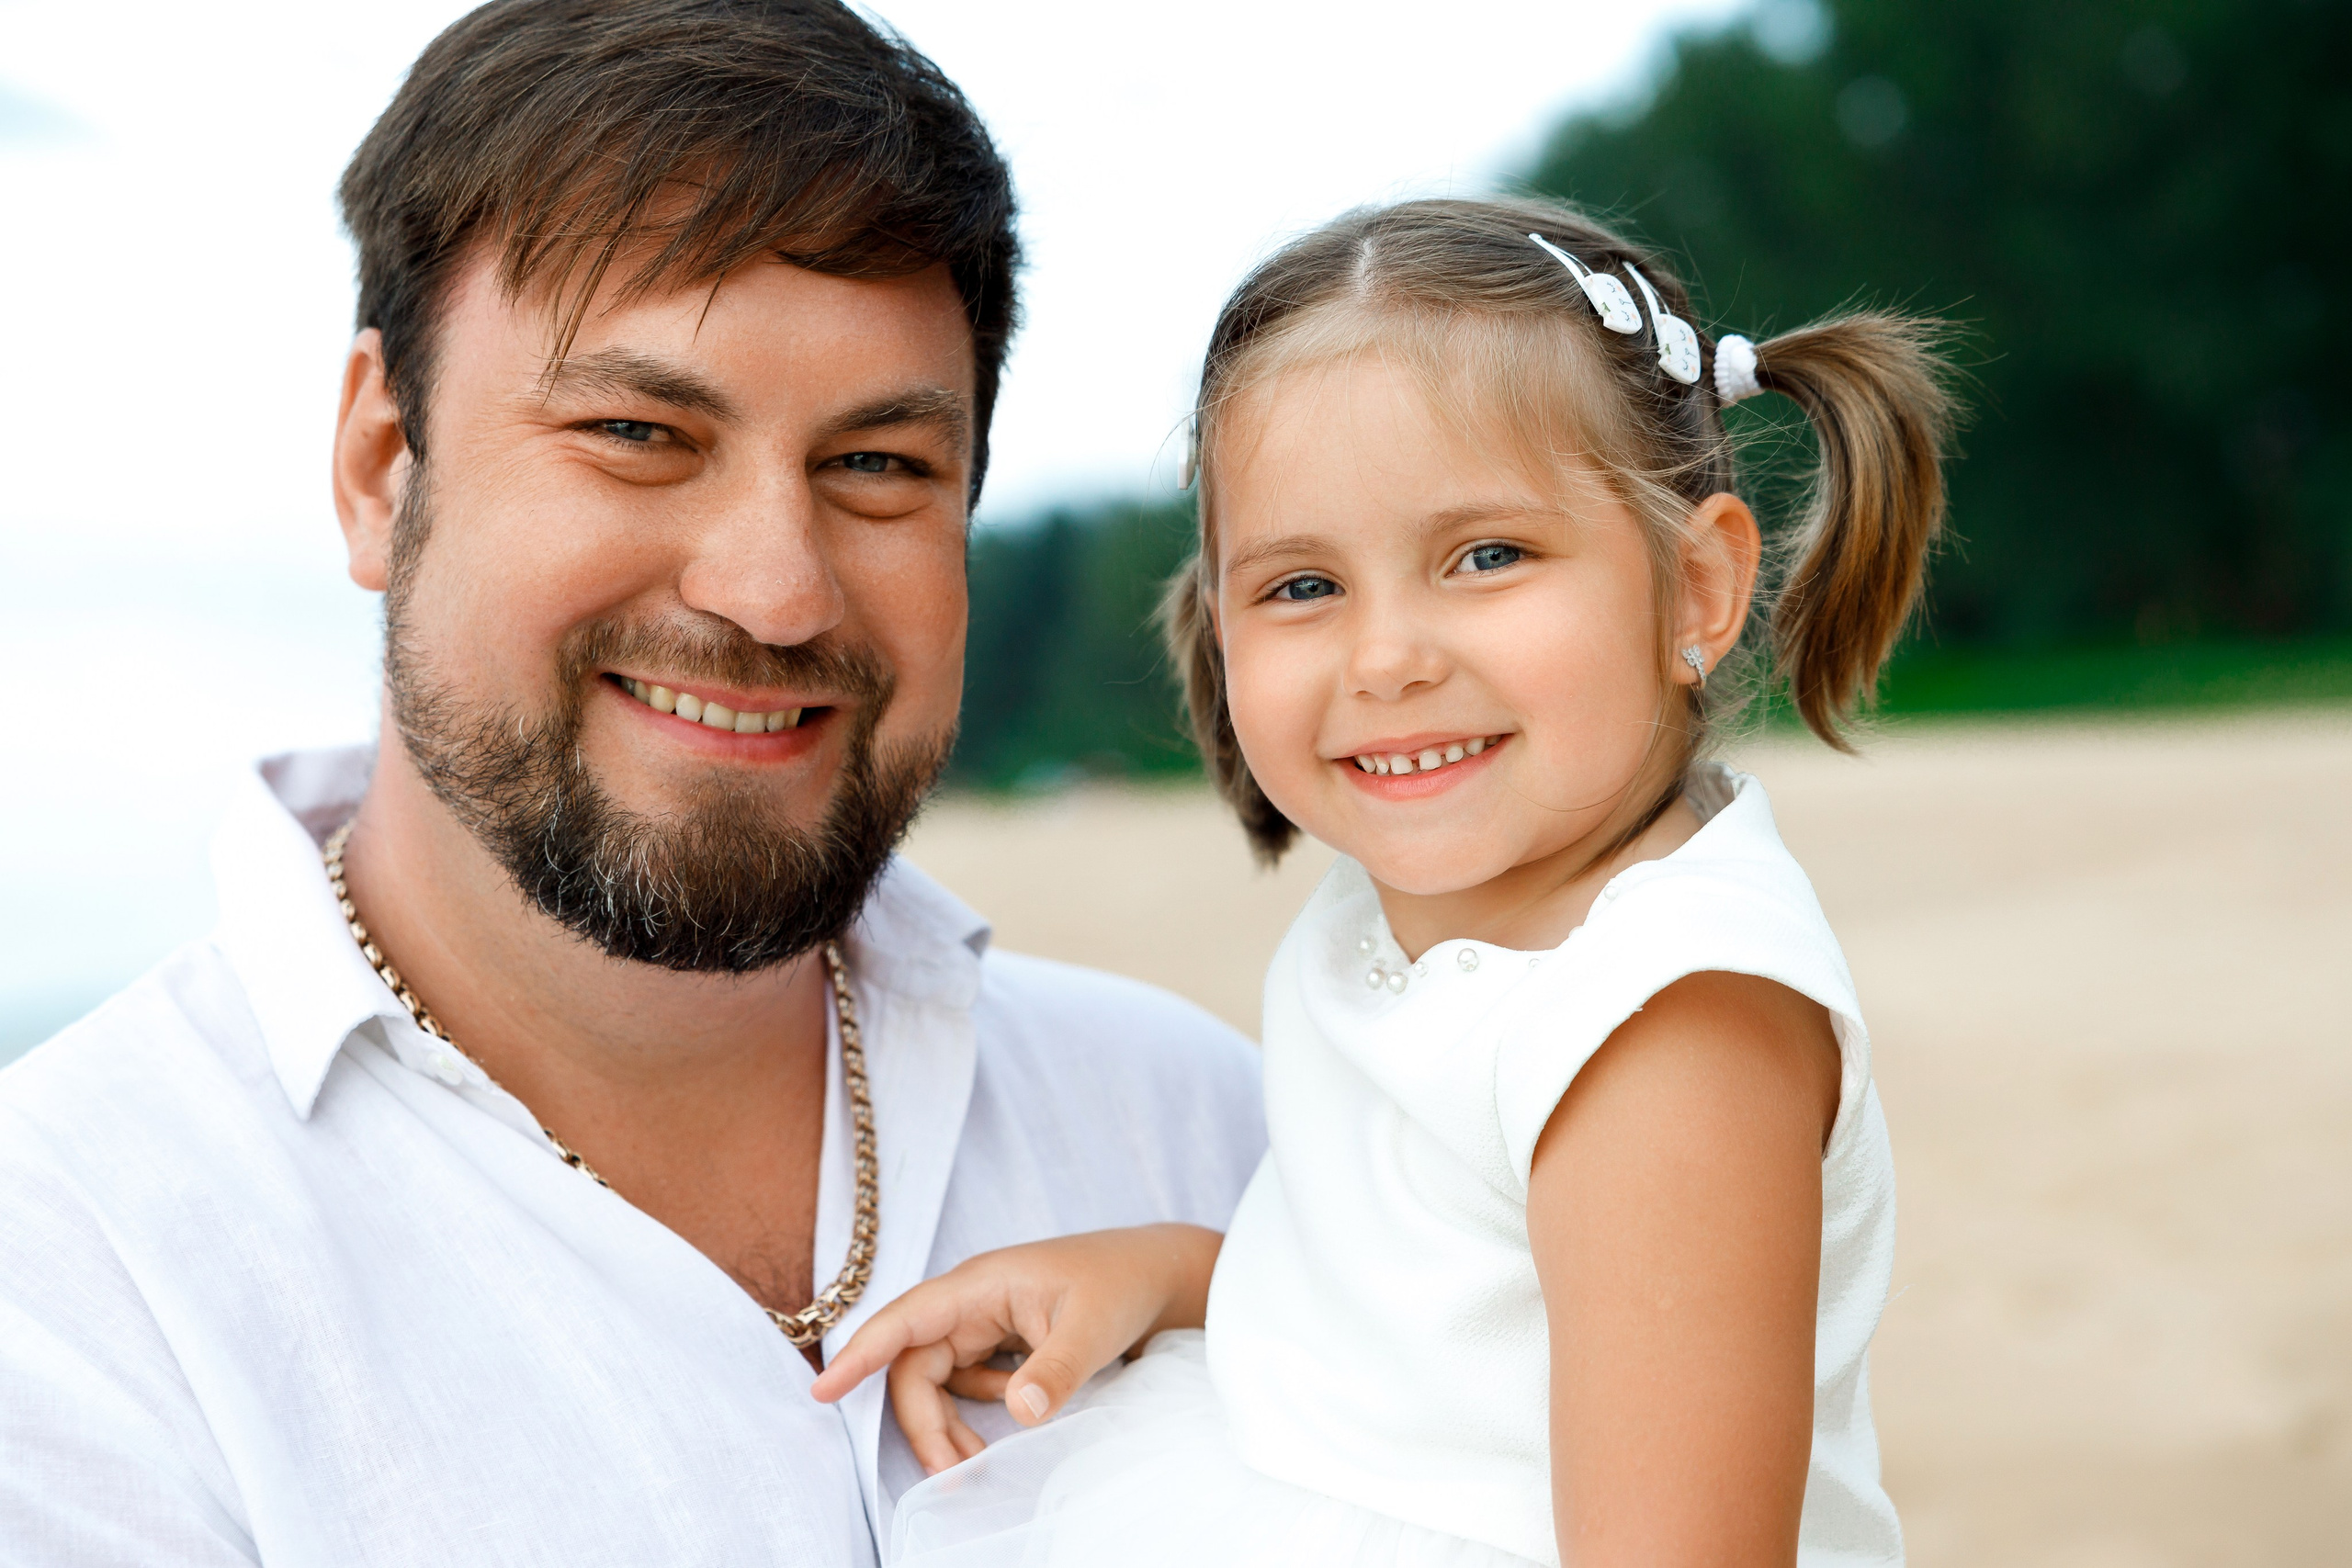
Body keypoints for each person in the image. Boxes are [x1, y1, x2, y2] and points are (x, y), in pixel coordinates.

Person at [0, 3, 1266, 1563]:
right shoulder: (63, 1278)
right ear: (382, 467)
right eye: (637, 431)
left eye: (878, 465)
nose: (775, 591)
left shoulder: (1207, 1125)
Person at [811, 195, 1957, 1567]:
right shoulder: (1426, 911)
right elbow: (1443, 1324)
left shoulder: (1664, 1031)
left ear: (1696, 586)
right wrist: (1164, 1274)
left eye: (1488, 557)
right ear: (1221, 623)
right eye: (1303, 587)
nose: (1388, 658)